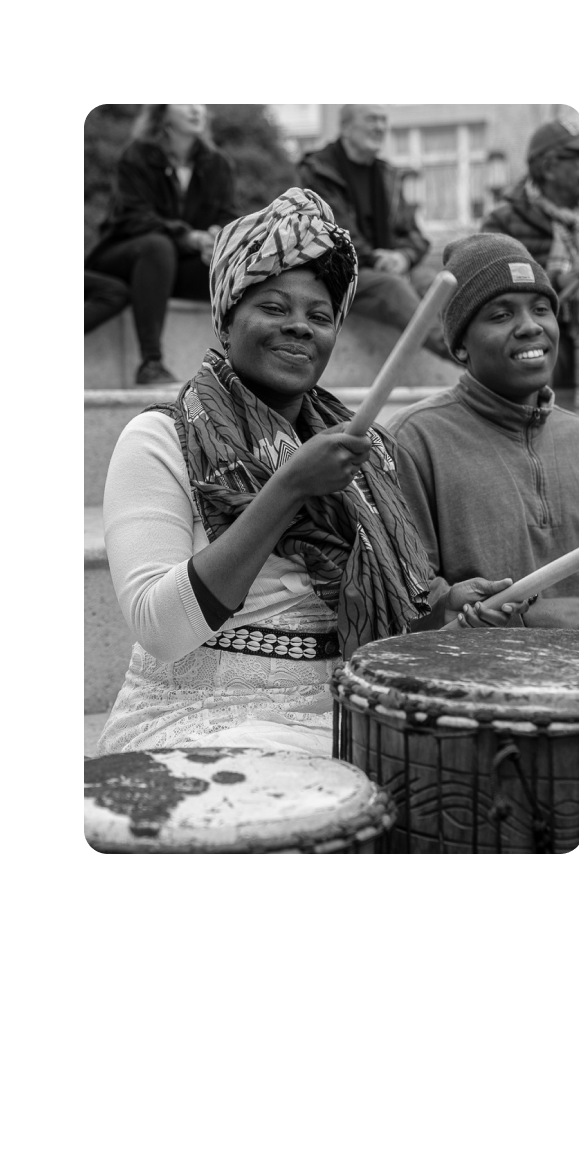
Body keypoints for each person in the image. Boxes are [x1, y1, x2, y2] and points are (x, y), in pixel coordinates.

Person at [95, 189, 530, 759]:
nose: (300, 327)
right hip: (198, 719)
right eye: (274, 308)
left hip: (345, 706)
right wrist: (290, 488)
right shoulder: (159, 438)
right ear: (226, 325)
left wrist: (446, 610)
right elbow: (161, 629)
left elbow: (380, 624)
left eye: (319, 316)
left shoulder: (365, 451)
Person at [377, 234, 579, 630]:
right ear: (460, 347)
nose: (530, 327)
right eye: (500, 315)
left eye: (541, 309)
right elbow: (408, 597)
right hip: (473, 684)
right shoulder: (411, 440)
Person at [85, 104, 238, 385]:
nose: (195, 110)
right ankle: (151, 363)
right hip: (125, 256)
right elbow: (134, 216)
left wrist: (217, 239)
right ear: (162, 111)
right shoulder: (138, 156)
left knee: (232, 269)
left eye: (200, 104)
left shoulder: (217, 163)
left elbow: (228, 215)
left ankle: (240, 370)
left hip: (173, 267)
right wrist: (189, 237)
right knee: (158, 246)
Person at [297, 105, 456, 362]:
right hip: (339, 274)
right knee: (392, 286)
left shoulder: (387, 175)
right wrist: (377, 259)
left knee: (432, 281)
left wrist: (402, 257)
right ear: (346, 127)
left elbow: (415, 235)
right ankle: (459, 354)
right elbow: (335, 233)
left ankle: (473, 341)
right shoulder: (318, 171)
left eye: (384, 120)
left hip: (387, 269)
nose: (381, 127)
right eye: (372, 119)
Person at [481, 118, 579, 392]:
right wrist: (560, 282)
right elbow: (491, 295)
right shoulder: (501, 223)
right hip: (538, 342)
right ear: (549, 168)